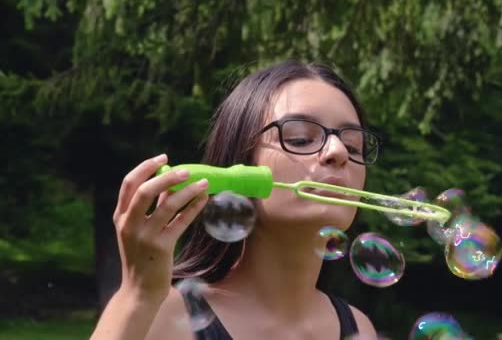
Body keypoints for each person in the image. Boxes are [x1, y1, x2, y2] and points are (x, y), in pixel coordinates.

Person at [91, 60, 381, 340]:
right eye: (301, 138)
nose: (338, 151)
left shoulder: (358, 328)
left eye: (353, 146)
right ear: (240, 162)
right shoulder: (163, 318)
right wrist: (138, 294)